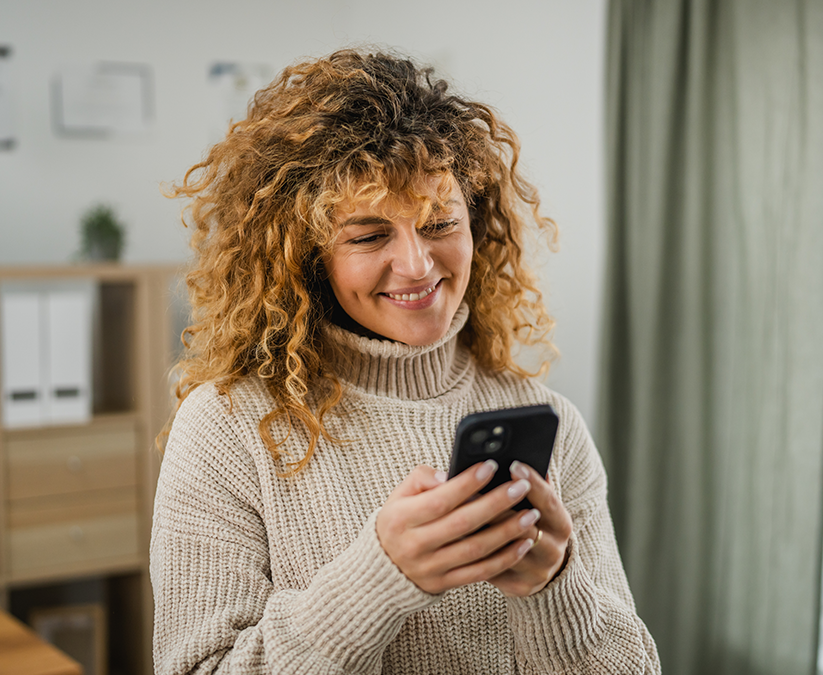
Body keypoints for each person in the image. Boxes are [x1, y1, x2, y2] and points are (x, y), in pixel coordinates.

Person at [151, 48, 660, 674]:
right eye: (369, 236)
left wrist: (553, 588)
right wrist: (377, 581)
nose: (417, 266)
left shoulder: (549, 423)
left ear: (476, 224)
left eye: (439, 223)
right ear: (307, 256)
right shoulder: (226, 429)